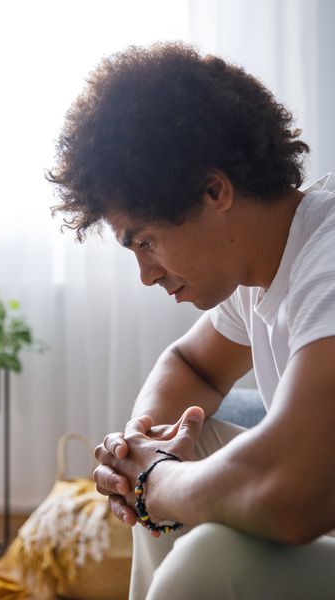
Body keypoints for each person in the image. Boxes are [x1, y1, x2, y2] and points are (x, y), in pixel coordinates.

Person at [46, 42, 335, 599]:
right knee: (179, 446)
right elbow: (191, 363)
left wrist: (158, 479)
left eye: (146, 240)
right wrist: (138, 450)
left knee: (210, 557)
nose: (146, 275)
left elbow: (294, 492)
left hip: (312, 503)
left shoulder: (327, 258)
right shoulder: (261, 266)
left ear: (214, 190)